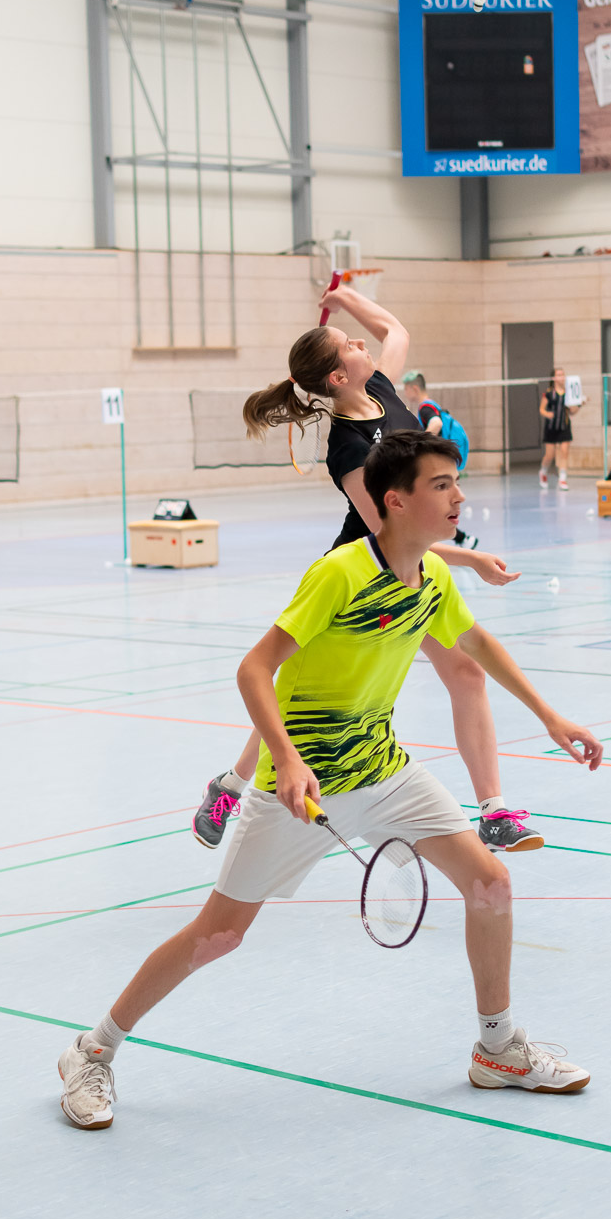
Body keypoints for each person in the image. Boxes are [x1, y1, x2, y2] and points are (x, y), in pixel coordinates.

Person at [57, 430, 603, 1131]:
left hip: (385, 770)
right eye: (442, 485)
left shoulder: (432, 578)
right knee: (218, 935)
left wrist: (550, 717)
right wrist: (285, 758)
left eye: (456, 483)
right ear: (396, 501)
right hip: (302, 788)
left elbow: (476, 643)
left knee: (490, 883)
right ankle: (91, 1050)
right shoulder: (340, 574)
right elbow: (255, 668)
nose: (459, 497)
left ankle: (497, 1050)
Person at [193, 281, 542, 856]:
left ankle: (494, 812)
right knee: (300, 695)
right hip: (360, 575)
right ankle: (230, 787)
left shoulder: (379, 386)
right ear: (337, 377)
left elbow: (394, 330)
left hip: (414, 562)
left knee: (466, 674)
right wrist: (471, 558)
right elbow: (386, 533)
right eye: (349, 344)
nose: (362, 344)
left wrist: (345, 295)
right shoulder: (349, 447)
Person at [402, 370, 475, 548]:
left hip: (437, 466)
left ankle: (459, 539)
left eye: (406, 389)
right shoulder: (432, 404)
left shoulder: (425, 407)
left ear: (414, 388)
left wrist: (418, 445)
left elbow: (436, 424)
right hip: (441, 465)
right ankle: (462, 539)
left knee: (432, 506)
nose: (405, 393)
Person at [538, 368, 587, 492]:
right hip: (551, 428)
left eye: (563, 374)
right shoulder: (548, 393)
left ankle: (563, 479)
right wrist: (547, 414)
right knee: (550, 455)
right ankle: (543, 472)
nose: (562, 377)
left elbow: (572, 412)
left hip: (564, 426)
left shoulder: (568, 394)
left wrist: (580, 404)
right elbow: (541, 409)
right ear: (554, 378)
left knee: (564, 452)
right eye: (559, 375)